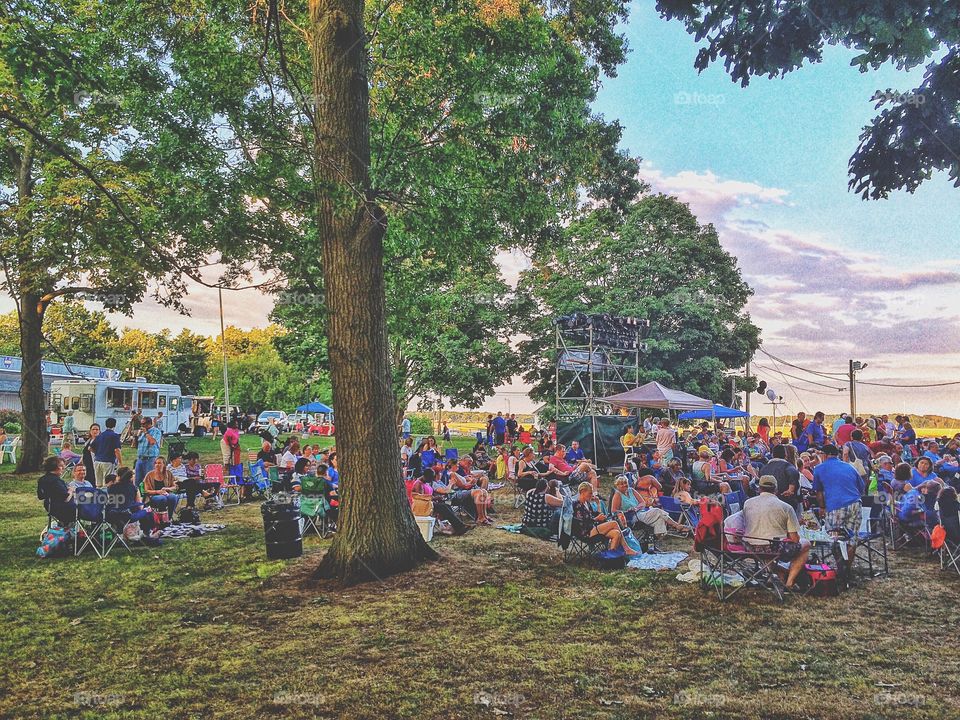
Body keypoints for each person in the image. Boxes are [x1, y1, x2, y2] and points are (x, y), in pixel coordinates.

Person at [742, 475, 811, 591]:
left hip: (750, 547)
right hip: (772, 548)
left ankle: (778, 575)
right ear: (776, 490)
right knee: (806, 544)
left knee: (771, 546)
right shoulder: (786, 507)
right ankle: (790, 582)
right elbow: (795, 539)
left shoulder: (747, 503)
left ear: (759, 488)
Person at [571, 482, 639, 555]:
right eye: (590, 493)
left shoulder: (587, 503)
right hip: (586, 532)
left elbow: (595, 515)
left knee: (616, 533)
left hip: (593, 528)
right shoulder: (576, 504)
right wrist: (596, 519)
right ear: (582, 492)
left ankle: (610, 558)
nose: (591, 495)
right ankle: (627, 549)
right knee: (614, 523)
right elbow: (580, 522)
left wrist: (598, 504)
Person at [813, 445, 864, 539]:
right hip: (855, 503)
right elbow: (861, 487)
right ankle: (849, 554)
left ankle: (839, 554)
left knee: (835, 539)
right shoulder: (849, 467)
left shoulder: (819, 468)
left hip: (836, 505)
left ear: (825, 455)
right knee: (852, 539)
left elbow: (819, 492)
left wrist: (822, 507)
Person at [610, 475, 688, 535]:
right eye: (621, 484)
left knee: (659, 519)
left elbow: (643, 502)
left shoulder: (631, 490)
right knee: (657, 511)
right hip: (631, 517)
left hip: (641, 511)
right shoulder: (618, 495)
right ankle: (677, 526)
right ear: (617, 485)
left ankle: (657, 539)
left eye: (625, 483)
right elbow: (613, 511)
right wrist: (627, 510)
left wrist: (637, 507)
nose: (624, 485)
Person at [759, 444, 801, 509]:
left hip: (767, 504)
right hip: (786, 502)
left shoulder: (764, 468)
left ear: (772, 455)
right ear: (785, 455)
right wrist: (791, 489)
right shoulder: (788, 466)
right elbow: (793, 472)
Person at [37, 456, 74, 527]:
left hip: (49, 506)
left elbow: (40, 496)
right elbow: (66, 499)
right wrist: (71, 490)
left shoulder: (42, 479)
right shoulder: (56, 481)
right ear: (56, 467)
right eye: (62, 466)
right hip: (63, 509)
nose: (64, 468)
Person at [91, 417, 124, 487]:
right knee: (107, 483)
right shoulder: (115, 436)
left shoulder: (100, 435)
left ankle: (98, 496)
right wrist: (121, 463)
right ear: (114, 425)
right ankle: (105, 497)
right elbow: (117, 450)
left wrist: (97, 453)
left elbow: (90, 448)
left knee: (98, 483)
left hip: (97, 461)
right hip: (108, 461)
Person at [135, 417, 163, 486]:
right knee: (137, 480)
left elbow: (152, 442)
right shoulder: (142, 432)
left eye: (143, 424)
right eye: (141, 424)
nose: (142, 426)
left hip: (150, 459)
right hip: (140, 458)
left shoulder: (156, 431)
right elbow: (136, 445)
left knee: (149, 479)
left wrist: (146, 433)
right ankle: (138, 495)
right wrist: (136, 436)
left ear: (149, 423)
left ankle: (149, 495)